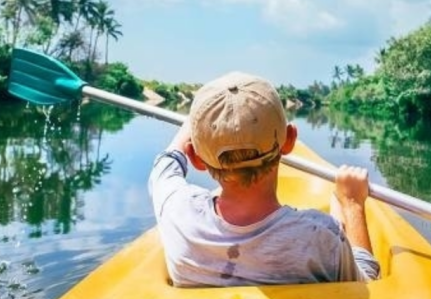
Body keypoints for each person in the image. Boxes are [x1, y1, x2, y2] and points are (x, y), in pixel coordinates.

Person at [148, 71, 380, 287]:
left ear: (196, 159)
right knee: (339, 201)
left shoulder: (176, 210)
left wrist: (196, 119)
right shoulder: (319, 238)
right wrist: (352, 204)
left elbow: (166, 164)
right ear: (289, 140)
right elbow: (368, 285)